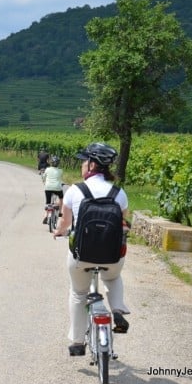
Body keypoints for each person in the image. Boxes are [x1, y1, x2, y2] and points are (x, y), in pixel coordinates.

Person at [53, 142, 130, 357]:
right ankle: (117, 309)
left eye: (84, 161)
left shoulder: (75, 190)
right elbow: (123, 224)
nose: (82, 165)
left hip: (81, 256)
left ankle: (77, 342)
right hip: (112, 256)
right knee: (113, 278)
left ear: (92, 164)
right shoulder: (119, 193)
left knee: (78, 293)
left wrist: (59, 232)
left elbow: (65, 223)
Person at [42, 155, 64, 224]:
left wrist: (44, 181)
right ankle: (60, 212)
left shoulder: (47, 169)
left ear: (51, 162)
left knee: (48, 203)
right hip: (57, 187)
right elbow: (60, 178)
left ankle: (46, 215)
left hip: (48, 187)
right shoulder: (60, 170)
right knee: (61, 198)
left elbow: (43, 177)